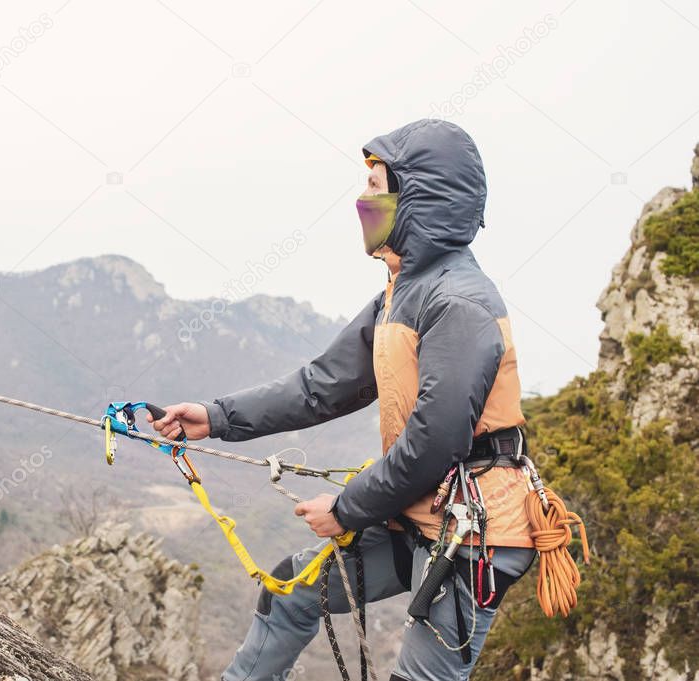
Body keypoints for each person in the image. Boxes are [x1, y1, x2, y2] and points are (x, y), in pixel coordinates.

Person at [149, 119, 538, 681]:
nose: (363, 200)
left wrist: (348, 508)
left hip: (476, 532)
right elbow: (321, 385)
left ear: (417, 200)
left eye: (377, 186)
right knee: (288, 593)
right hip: (419, 513)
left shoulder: (459, 303)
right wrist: (215, 417)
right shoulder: (401, 294)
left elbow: (436, 441)